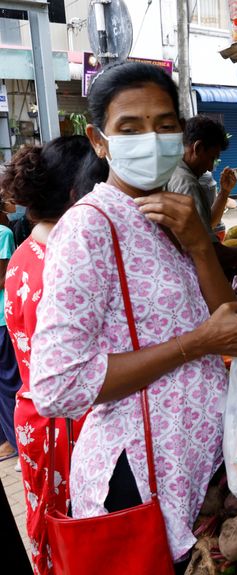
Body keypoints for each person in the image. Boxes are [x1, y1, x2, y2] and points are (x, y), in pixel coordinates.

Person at [29, 61, 237, 573]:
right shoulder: (87, 230)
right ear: (99, 140)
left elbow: (229, 331)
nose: (150, 140)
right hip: (138, 479)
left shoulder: (169, 214)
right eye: (129, 128)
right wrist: (195, 343)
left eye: (164, 124)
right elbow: (57, 386)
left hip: (197, 465)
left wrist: (201, 245)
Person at [1, 136, 107, 575]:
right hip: (69, 429)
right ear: (74, 195)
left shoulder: (24, 254)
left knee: (60, 541)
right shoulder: (64, 266)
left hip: (35, 422)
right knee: (90, 541)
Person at [168, 115, 237, 274]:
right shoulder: (186, 183)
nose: (210, 168)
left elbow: (207, 225)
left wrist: (224, 192)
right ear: (198, 148)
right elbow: (208, 252)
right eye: (211, 158)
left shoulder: (173, 170)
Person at [0, 207, 22, 465]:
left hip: (4, 321)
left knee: (11, 385)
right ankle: (10, 443)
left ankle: (19, 444)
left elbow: (4, 278)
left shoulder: (3, 233)